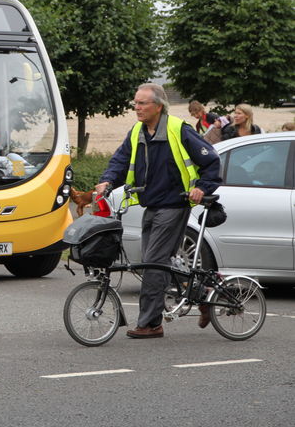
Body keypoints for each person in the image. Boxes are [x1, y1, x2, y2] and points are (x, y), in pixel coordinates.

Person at [95, 83, 221, 339]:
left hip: (175, 205)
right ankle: (204, 292)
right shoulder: (137, 132)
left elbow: (211, 160)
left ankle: (151, 323)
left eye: (142, 103)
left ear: (158, 106)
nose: (137, 108)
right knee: (155, 261)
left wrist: (202, 188)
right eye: (135, 103)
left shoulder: (178, 129)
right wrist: (108, 180)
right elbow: (120, 160)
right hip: (151, 204)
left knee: (153, 262)